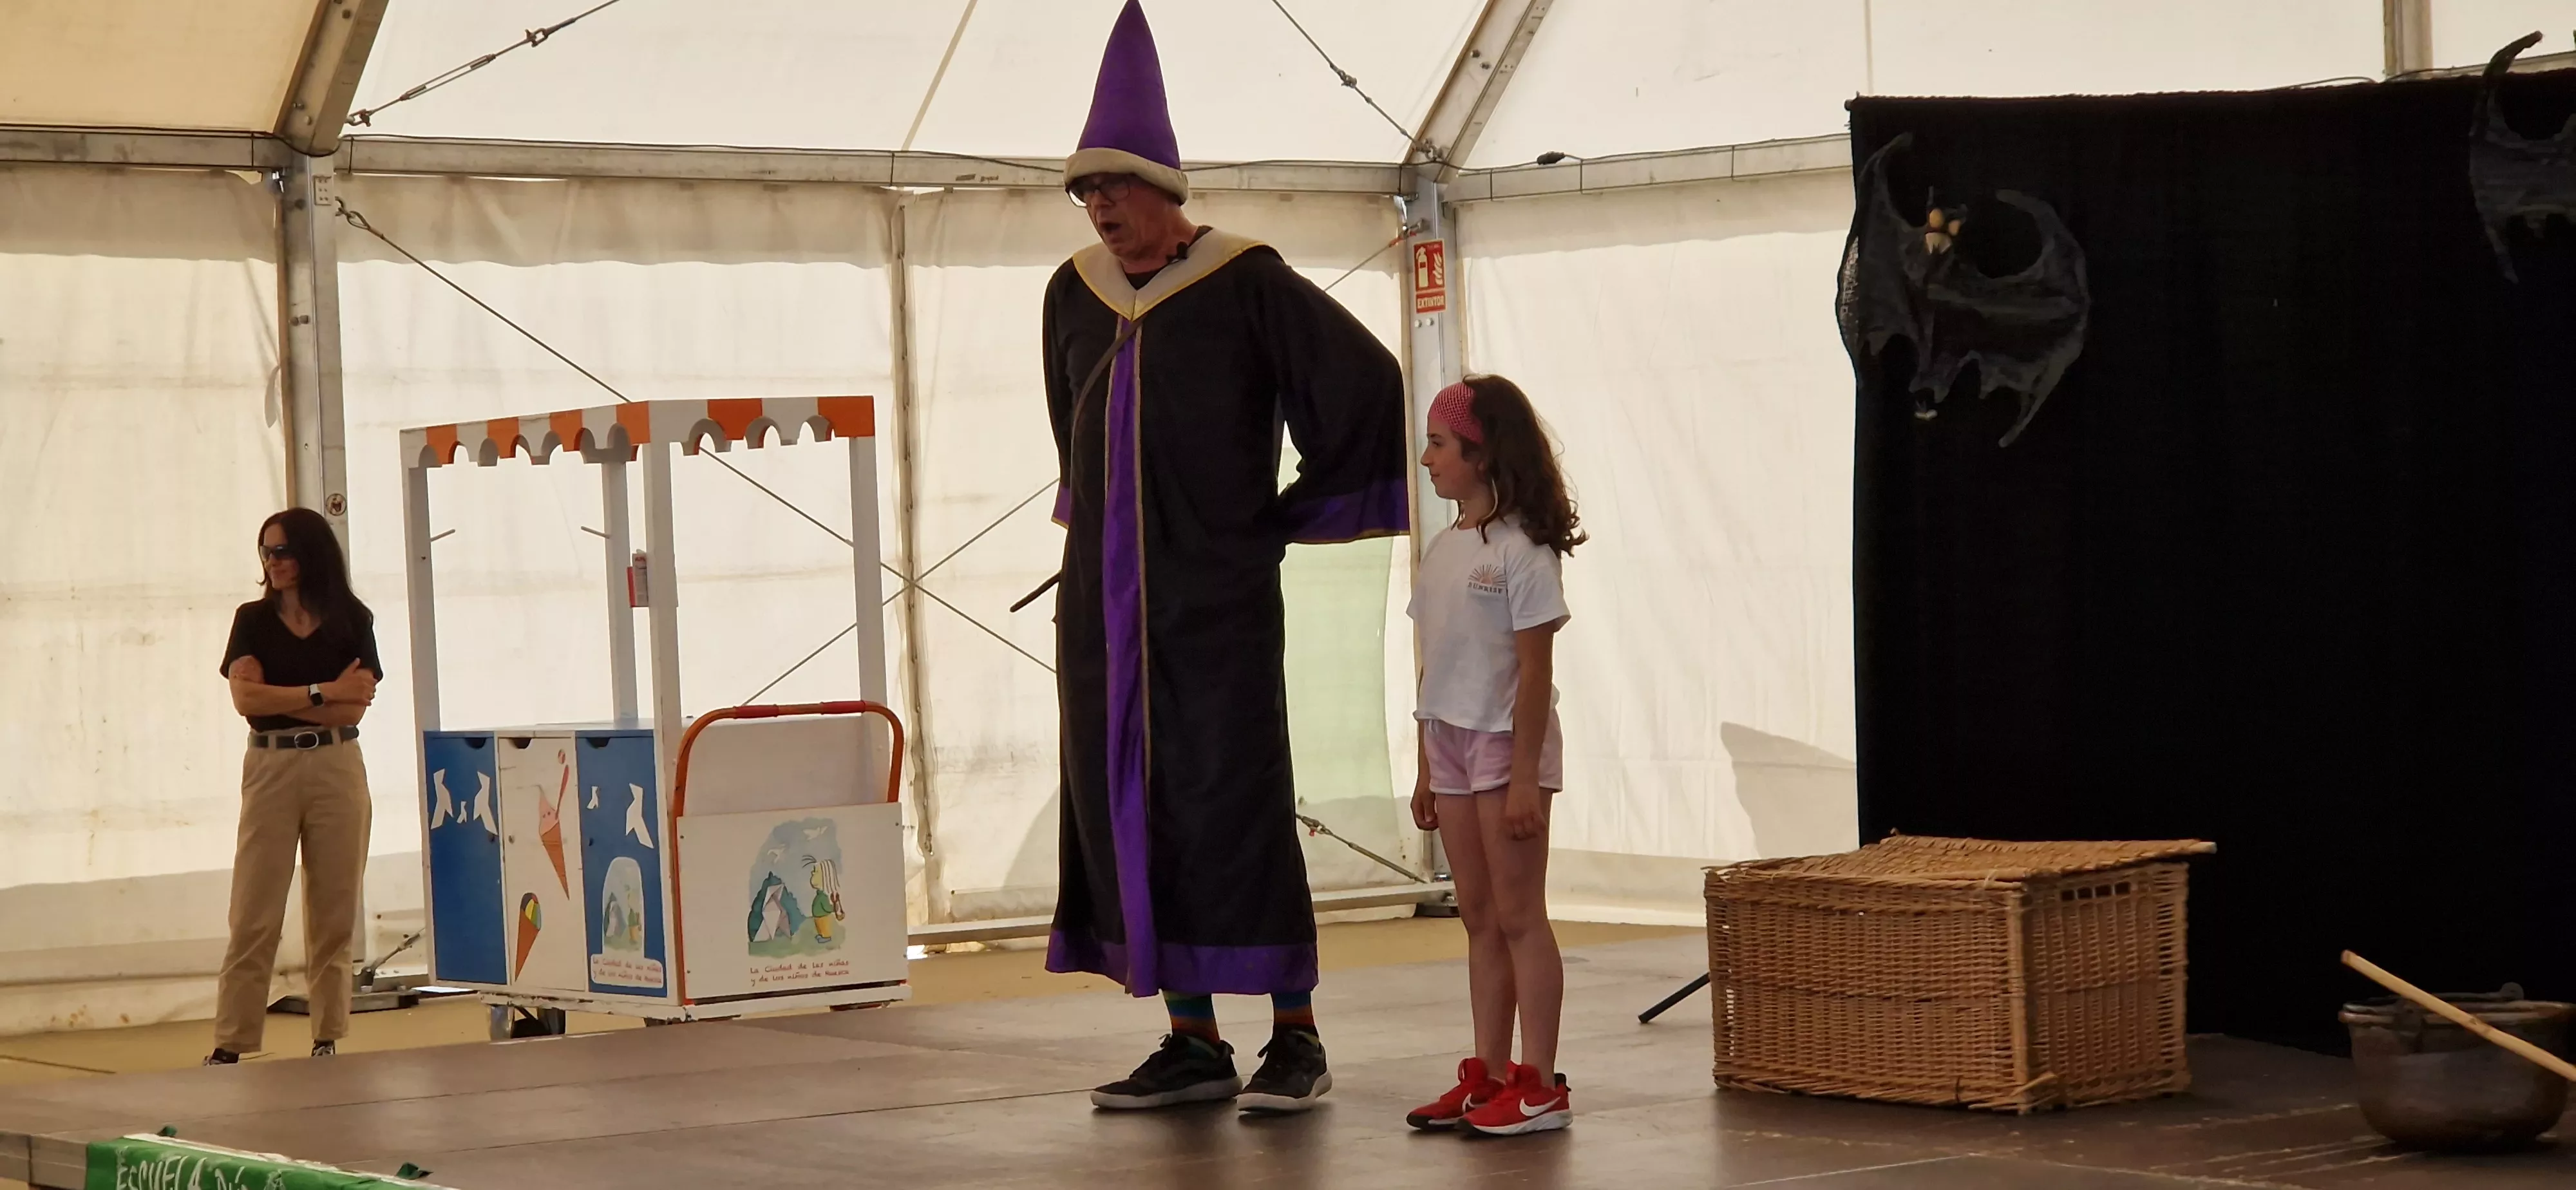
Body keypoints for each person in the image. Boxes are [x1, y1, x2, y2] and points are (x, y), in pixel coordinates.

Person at [1043, 1, 1410, 1115]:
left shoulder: (1247, 283)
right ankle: (1191, 1037)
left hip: (1216, 608)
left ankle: (1293, 1034)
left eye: (1115, 185)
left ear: (1166, 187)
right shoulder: (1071, 295)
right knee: (1131, 808)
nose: (1100, 206)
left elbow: (1361, 392)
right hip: (1104, 615)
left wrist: (1282, 516)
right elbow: (1070, 430)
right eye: (1086, 190)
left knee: (1233, 800)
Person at [1401, 376, 1584, 1136]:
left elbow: (1534, 672)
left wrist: (1521, 781)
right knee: (1477, 915)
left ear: (1482, 453)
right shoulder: (1444, 548)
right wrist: (1422, 762)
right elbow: (1432, 663)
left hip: (1506, 744)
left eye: (1440, 445)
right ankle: (1488, 1072)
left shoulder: (1524, 552)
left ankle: (1539, 1082)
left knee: (1517, 915)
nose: (1426, 459)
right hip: (1449, 742)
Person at [205, 507, 383, 1065]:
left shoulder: (352, 619)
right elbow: (246, 702)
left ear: (310, 553)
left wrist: (302, 697)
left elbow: (356, 705)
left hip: (337, 767)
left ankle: (328, 1034)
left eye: (282, 551)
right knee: (254, 910)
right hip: (271, 769)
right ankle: (232, 1042)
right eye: (266, 552)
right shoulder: (252, 620)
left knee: (333, 909)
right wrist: (320, 691)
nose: (272, 562)